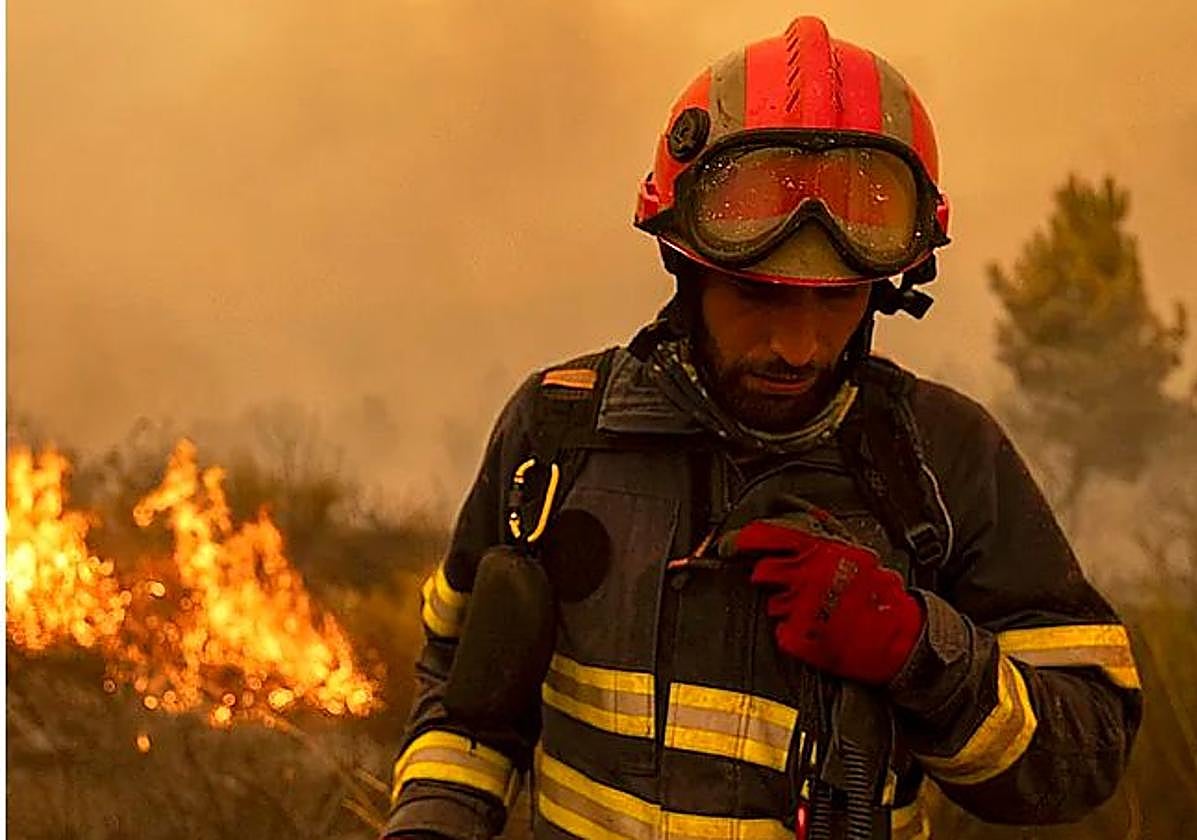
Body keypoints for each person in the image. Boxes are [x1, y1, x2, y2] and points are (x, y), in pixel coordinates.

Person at [383, 16, 1141, 840]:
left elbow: (1085, 753)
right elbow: (460, 691)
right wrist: (431, 822)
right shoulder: (558, 432)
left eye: (836, 300)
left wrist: (918, 652)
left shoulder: (944, 461)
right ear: (686, 268)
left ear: (885, 291)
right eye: (760, 296)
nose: (797, 346)